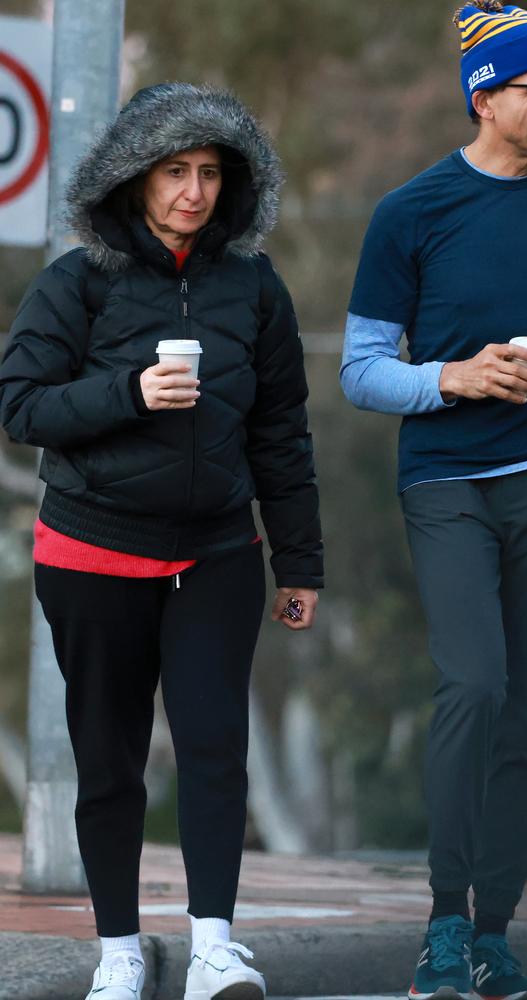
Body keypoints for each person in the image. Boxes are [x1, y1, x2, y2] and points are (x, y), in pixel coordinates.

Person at [341, 4, 527, 999]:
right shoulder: (411, 211)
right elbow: (357, 370)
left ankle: (494, 931)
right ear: (486, 97)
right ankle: (441, 923)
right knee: (472, 684)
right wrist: (452, 379)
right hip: (446, 483)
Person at [0, 82, 323, 1000]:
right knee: (108, 762)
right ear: (134, 178)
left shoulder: (255, 288)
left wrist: (298, 561)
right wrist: (129, 393)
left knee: (216, 749)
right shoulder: (77, 282)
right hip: (93, 551)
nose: (194, 192)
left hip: (217, 552)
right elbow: (20, 406)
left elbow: (282, 435)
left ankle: (215, 947)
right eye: (175, 171)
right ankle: (117, 954)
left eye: (212, 173)